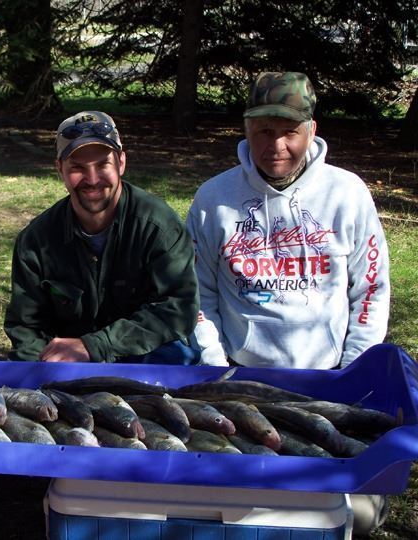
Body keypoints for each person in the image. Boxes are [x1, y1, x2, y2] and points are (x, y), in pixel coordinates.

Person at [186, 72, 390, 534]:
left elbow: (371, 290)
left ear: (311, 130)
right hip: (240, 380)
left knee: (355, 516)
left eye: (289, 131)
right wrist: (217, 368)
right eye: (263, 130)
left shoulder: (347, 194)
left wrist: (351, 372)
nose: (276, 145)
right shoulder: (213, 200)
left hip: (329, 380)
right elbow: (199, 293)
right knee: (241, 508)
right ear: (246, 129)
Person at [4, 110, 199, 363]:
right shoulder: (36, 241)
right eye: (78, 167)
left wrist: (95, 346)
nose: (92, 179)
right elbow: (26, 328)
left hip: (145, 355)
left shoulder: (159, 227)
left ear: (121, 163)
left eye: (102, 165)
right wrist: (41, 370)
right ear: (60, 169)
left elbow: (179, 309)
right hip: (71, 366)